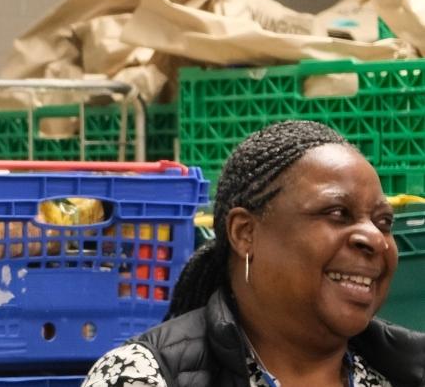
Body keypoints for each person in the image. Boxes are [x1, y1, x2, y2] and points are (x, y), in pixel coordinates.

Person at [83, 120, 425, 387]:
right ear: (245, 233)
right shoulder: (143, 376)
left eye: (383, 222)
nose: (375, 239)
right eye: (337, 213)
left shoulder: (408, 371)